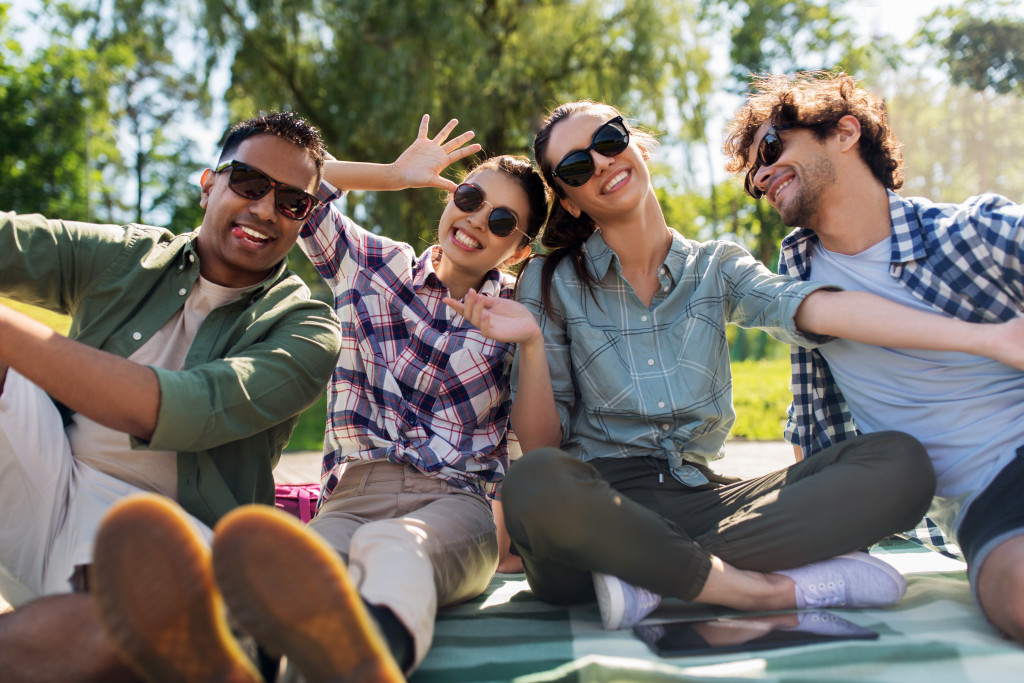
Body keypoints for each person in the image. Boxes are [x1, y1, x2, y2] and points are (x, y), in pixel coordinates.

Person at [447, 99, 1024, 634]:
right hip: (598, 496)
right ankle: (755, 590)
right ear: (570, 199)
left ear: (636, 147)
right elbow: (544, 444)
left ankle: (639, 571)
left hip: (706, 499)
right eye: (575, 167)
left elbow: (811, 306)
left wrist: (990, 340)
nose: (600, 162)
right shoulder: (549, 283)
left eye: (608, 139)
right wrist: (527, 346)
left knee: (900, 464)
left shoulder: (717, 266)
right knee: (534, 482)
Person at [196, 115, 549, 681]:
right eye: (470, 196)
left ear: (515, 250)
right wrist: (394, 173)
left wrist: (529, 345)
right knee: (300, 566)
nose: (477, 219)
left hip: (456, 507)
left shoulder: (521, 315)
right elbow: (295, 182)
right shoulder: (375, 267)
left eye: (501, 220)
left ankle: (367, 663)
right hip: (353, 495)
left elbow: (541, 444)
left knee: (391, 545)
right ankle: (254, 661)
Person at [0, 111, 342, 683]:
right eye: (250, 184)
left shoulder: (306, 329)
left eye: (291, 203)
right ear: (209, 185)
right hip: (44, 488)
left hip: (175, 542)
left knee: (127, 627)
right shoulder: (129, 257)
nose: (264, 210)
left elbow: (183, 407)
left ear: (305, 220)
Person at [723, 71, 1024, 643]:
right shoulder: (798, 278)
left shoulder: (965, 235)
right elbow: (812, 423)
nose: (761, 176)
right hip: (987, 502)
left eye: (770, 147)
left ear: (844, 131)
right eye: (754, 178)